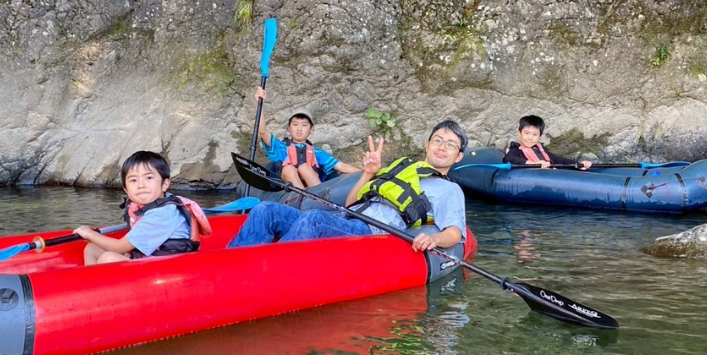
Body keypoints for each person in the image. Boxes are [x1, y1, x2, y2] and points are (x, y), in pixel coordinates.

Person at [229, 121, 468, 252]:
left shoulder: (448, 189)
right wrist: (368, 174)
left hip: (371, 234)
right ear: (427, 145)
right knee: (266, 210)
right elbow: (352, 203)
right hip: (349, 218)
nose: (441, 147)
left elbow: (455, 234)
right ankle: (229, 266)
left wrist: (434, 240)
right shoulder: (401, 168)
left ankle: (266, 274)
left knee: (313, 219)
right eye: (437, 140)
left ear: (458, 157)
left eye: (450, 145)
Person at [75, 151, 212, 265]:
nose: (141, 185)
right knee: (92, 249)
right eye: (133, 180)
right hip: (148, 260)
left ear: (165, 184)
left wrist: (89, 234)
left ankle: (102, 295)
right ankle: (89, 289)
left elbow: (119, 247)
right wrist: (94, 239)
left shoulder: (162, 214)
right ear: (126, 189)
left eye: (149, 178)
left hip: (167, 268)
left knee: (108, 258)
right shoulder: (151, 205)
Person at [252, 86, 360, 188]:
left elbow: (341, 166)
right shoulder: (280, 147)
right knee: (288, 169)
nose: (299, 129)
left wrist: (367, 173)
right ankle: (300, 196)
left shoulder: (317, 152)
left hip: (312, 187)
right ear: (289, 128)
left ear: (311, 129)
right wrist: (260, 104)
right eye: (295, 125)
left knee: (305, 167)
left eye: (304, 125)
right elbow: (262, 131)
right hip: (291, 189)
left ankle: (317, 197)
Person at [503, 115, 592, 169]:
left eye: (535, 135)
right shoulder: (515, 151)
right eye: (526, 133)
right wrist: (534, 164)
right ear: (519, 133)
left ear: (539, 136)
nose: (530, 138)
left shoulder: (541, 151)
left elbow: (559, 161)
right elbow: (508, 159)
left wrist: (579, 164)